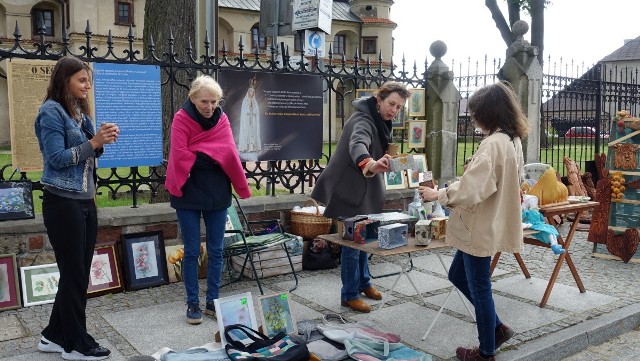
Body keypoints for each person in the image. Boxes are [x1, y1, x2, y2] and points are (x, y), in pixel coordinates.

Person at [419, 81, 526, 361]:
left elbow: (470, 190)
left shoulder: (493, 144)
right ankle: (497, 329)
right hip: (488, 222)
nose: (474, 118)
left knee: (480, 289)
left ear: (489, 113)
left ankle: (487, 351)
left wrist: (438, 193)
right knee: (458, 275)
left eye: (476, 112)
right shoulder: (511, 139)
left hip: (479, 226)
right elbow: (507, 180)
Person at [35, 55, 118, 361]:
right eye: (82, 80)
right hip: (62, 202)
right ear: (64, 80)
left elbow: (89, 153)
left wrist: (102, 139)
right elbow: (56, 158)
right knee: (74, 274)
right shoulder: (51, 112)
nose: (87, 86)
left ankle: (52, 335)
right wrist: (95, 142)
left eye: (89, 80)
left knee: (79, 273)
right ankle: (75, 344)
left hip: (84, 201)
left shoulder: (80, 111)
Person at [311, 81, 411, 313]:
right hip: (348, 190)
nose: (394, 110)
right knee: (351, 244)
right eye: (391, 104)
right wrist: (370, 162)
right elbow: (358, 143)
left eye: (399, 107)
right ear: (379, 100)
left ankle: (364, 283)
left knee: (363, 239)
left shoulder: (381, 120)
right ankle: (349, 294)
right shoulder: (363, 119)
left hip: (364, 189)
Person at [165, 75, 251, 325]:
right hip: (187, 191)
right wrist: (213, 155)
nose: (210, 107)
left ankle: (213, 299)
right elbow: (181, 154)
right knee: (191, 250)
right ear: (193, 98)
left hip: (216, 191)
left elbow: (228, 151)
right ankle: (192, 302)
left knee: (216, 250)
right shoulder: (181, 119)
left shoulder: (221, 118)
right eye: (204, 101)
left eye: (214, 101)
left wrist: (202, 154)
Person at [237, 76, 261, 159]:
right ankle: (246, 147)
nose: (252, 93)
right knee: (246, 133)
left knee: (253, 133)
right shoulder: (245, 101)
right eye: (250, 91)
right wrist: (248, 111)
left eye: (253, 91)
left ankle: (253, 148)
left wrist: (253, 112)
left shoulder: (255, 102)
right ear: (248, 92)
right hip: (247, 121)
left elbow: (256, 112)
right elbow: (244, 111)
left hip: (253, 121)